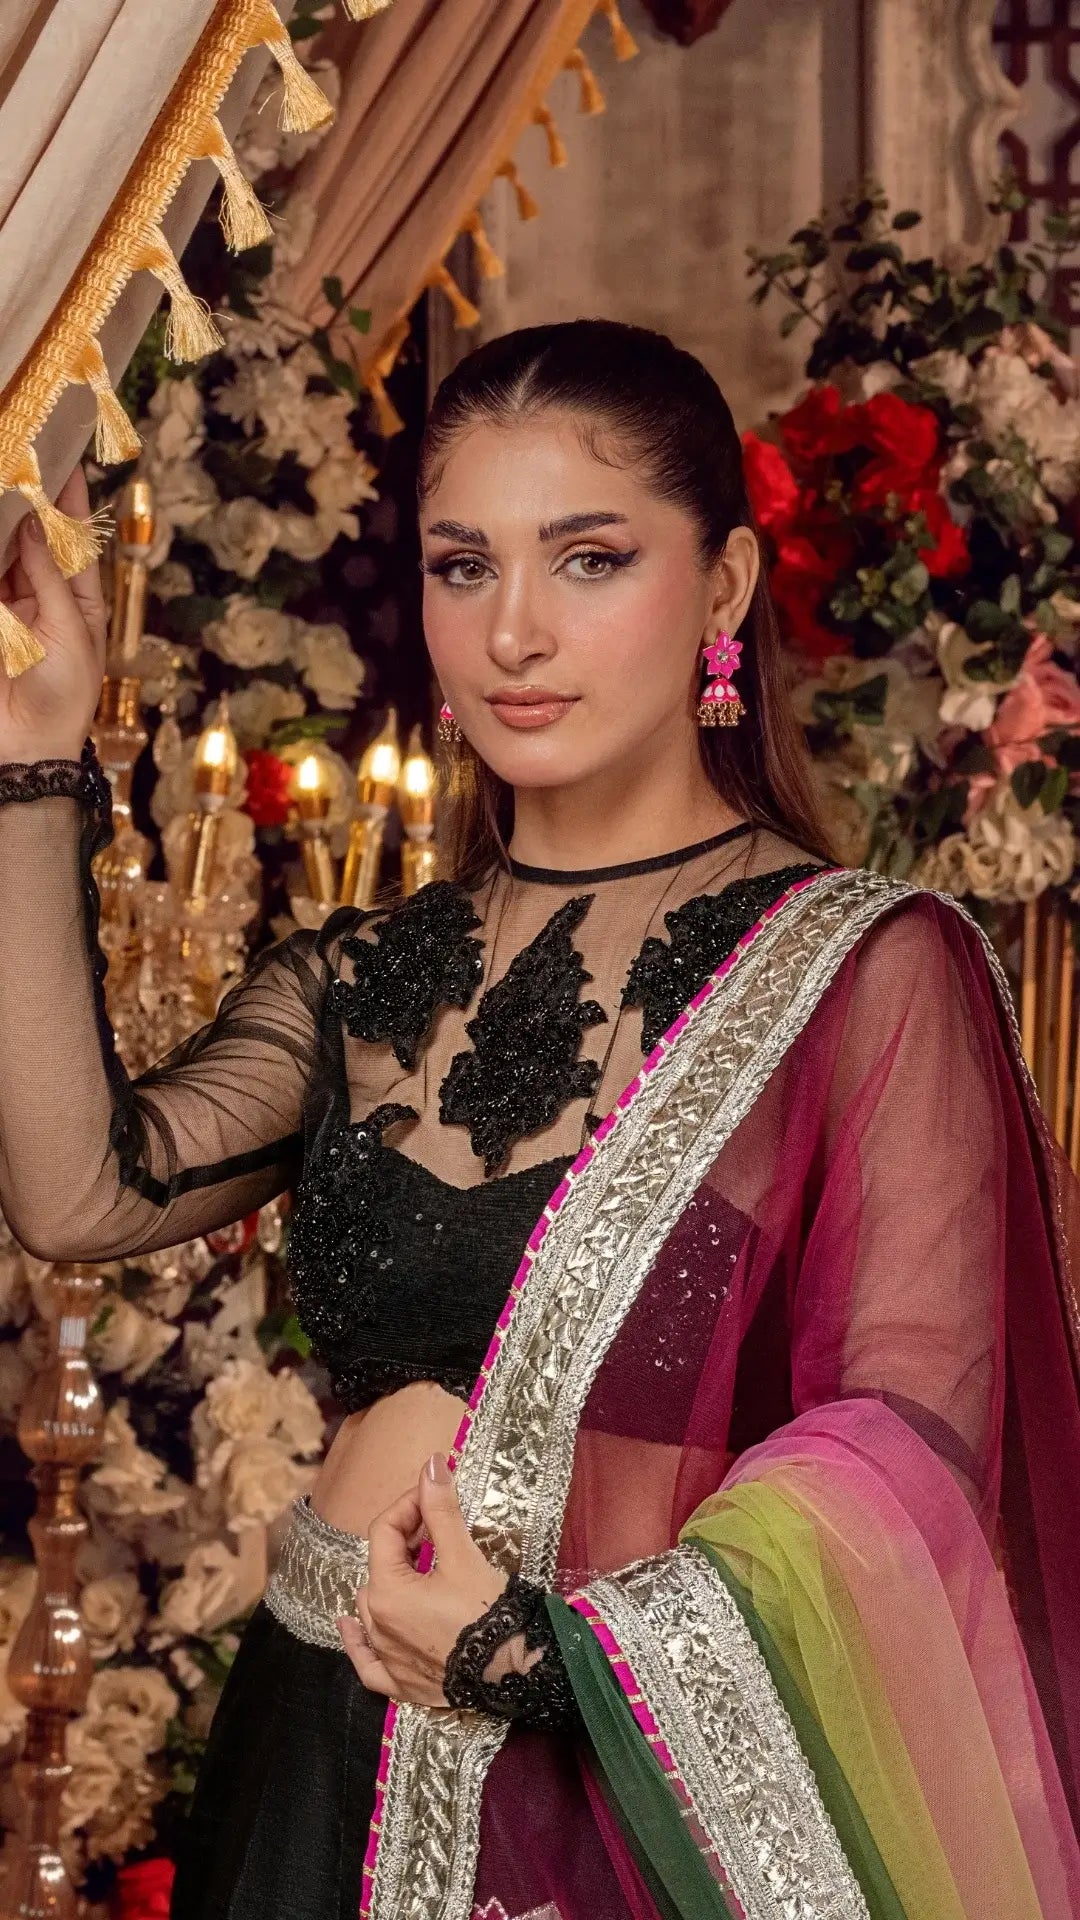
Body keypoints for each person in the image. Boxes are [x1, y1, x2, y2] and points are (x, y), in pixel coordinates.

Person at [0, 320, 1077, 1920]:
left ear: (720, 592)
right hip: (312, 1747)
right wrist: (31, 767)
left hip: (605, 1804)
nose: (511, 633)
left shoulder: (864, 974)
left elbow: (915, 1454)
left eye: (586, 560)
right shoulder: (364, 976)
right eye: (460, 567)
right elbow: (80, 1195)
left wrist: (549, 1654)